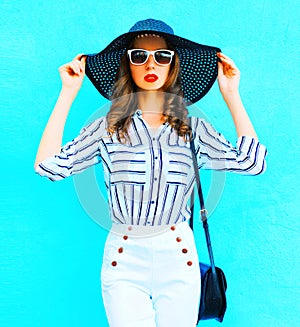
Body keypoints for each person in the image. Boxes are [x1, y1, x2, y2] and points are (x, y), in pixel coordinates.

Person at [34, 18, 267, 327]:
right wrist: (67, 93)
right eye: (139, 56)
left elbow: (251, 163)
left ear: (172, 65)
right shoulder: (107, 129)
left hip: (178, 252)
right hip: (123, 254)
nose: (150, 63)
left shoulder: (194, 129)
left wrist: (231, 95)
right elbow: (48, 165)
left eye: (162, 56)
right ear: (128, 64)